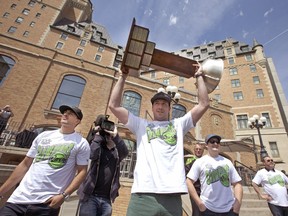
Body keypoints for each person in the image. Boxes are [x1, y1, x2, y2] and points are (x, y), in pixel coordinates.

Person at [108, 64, 210, 216]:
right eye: (157, 103)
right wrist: (122, 77)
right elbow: (113, 106)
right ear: (153, 106)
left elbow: (204, 104)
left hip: (172, 196)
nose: (160, 106)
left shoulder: (178, 124)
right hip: (143, 195)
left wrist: (199, 76)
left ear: (169, 108)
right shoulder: (141, 125)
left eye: (164, 104)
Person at [0, 105, 90, 216]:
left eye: (70, 113)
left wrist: (64, 195)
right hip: (17, 200)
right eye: (64, 112)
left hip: (46, 204)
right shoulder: (43, 136)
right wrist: (2, 191)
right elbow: (24, 164)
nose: (65, 114)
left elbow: (82, 172)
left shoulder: (81, 142)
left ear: (78, 121)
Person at [77, 114, 129, 216]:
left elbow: (125, 152)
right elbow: (92, 154)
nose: (108, 136)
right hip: (90, 196)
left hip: (107, 199)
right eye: (107, 135)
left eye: (110, 135)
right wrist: (98, 135)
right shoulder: (98, 147)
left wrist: (116, 136)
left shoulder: (116, 152)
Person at [186, 134, 243, 216]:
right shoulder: (200, 162)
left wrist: (237, 204)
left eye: (217, 142)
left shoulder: (227, 162)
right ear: (206, 145)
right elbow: (189, 182)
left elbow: (237, 183)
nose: (215, 144)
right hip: (208, 209)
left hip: (229, 209)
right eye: (212, 141)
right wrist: (200, 203)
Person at [184, 143, 205, 216]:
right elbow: (187, 175)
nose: (198, 151)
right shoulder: (190, 161)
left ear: (203, 151)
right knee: (196, 211)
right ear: (194, 150)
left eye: (200, 149)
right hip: (195, 190)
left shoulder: (205, 161)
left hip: (206, 191)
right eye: (197, 149)